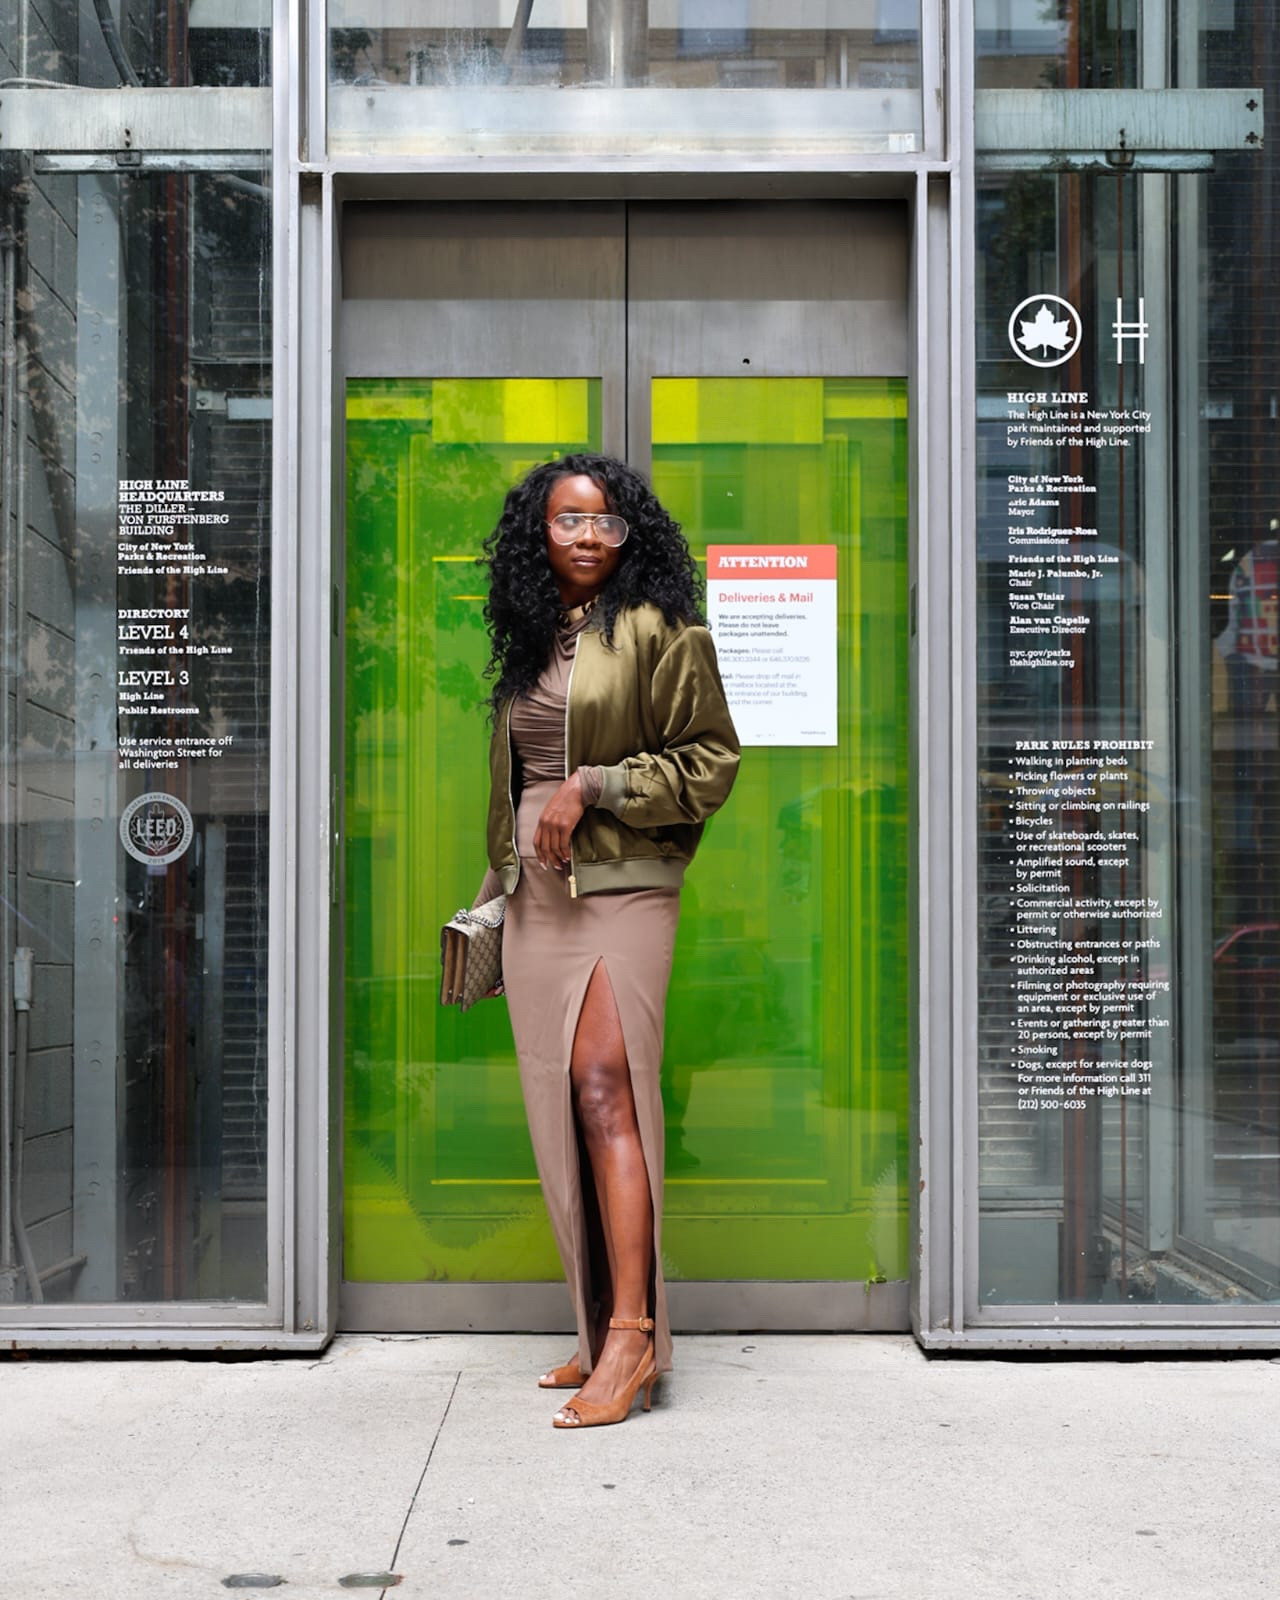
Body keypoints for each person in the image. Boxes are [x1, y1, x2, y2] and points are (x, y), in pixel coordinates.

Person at [472, 453, 739, 1428]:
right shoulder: (532, 639)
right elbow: (514, 785)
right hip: (538, 894)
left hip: (623, 885)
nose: (586, 536)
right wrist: (493, 894)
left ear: (630, 534)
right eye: (566, 520)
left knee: (602, 1085)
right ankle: (599, 1327)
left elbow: (710, 762)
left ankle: (632, 1335)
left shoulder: (660, 630)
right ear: (536, 535)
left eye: (605, 521)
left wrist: (596, 786)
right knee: (563, 1105)